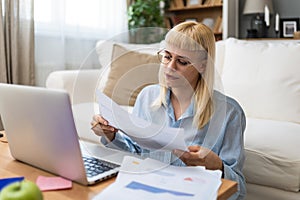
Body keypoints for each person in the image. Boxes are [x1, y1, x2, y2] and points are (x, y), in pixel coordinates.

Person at [91, 21, 246, 199]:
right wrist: (110, 135)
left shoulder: (230, 113)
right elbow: (136, 151)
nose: (170, 67)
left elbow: (238, 190)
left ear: (202, 66)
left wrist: (217, 165)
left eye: (182, 61)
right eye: (167, 57)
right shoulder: (147, 97)